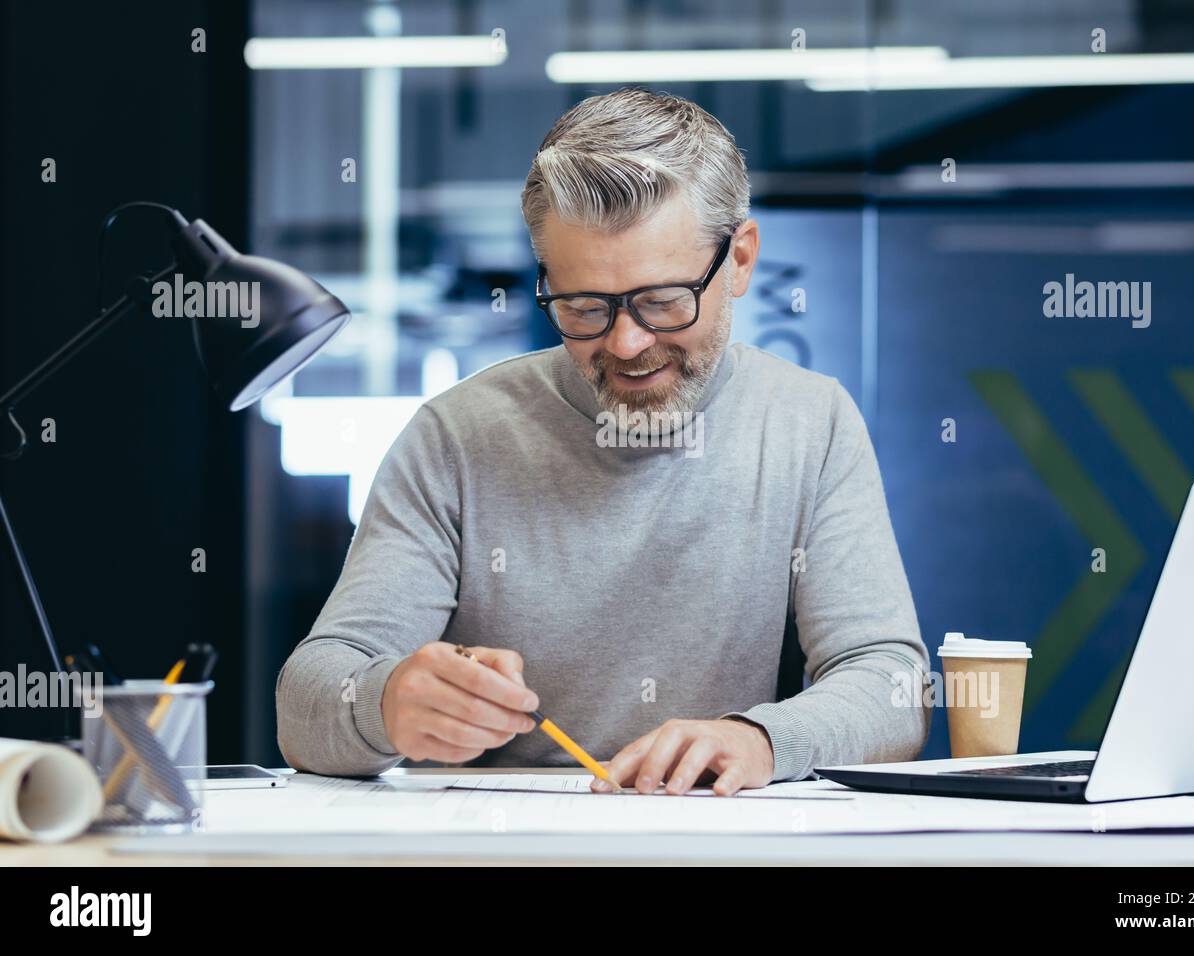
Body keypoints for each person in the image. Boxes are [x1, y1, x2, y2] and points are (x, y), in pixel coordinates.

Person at [276, 87, 929, 795]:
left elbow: (890, 683)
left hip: (710, 843)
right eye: (583, 306)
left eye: (661, 301)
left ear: (739, 260)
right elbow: (307, 701)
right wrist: (385, 703)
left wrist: (762, 738)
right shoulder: (457, 437)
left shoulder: (809, 423)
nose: (627, 343)